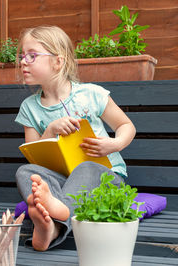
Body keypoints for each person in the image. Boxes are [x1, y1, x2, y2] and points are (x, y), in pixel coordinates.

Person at [15, 26, 136, 251]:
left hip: (105, 181)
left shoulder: (91, 94)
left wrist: (114, 144)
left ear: (57, 62)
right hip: (64, 181)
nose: (23, 61)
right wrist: (50, 130)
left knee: (87, 168)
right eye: (22, 56)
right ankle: (52, 226)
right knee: (25, 171)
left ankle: (56, 218)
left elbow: (126, 125)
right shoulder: (29, 108)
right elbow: (34, 156)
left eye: (32, 55)